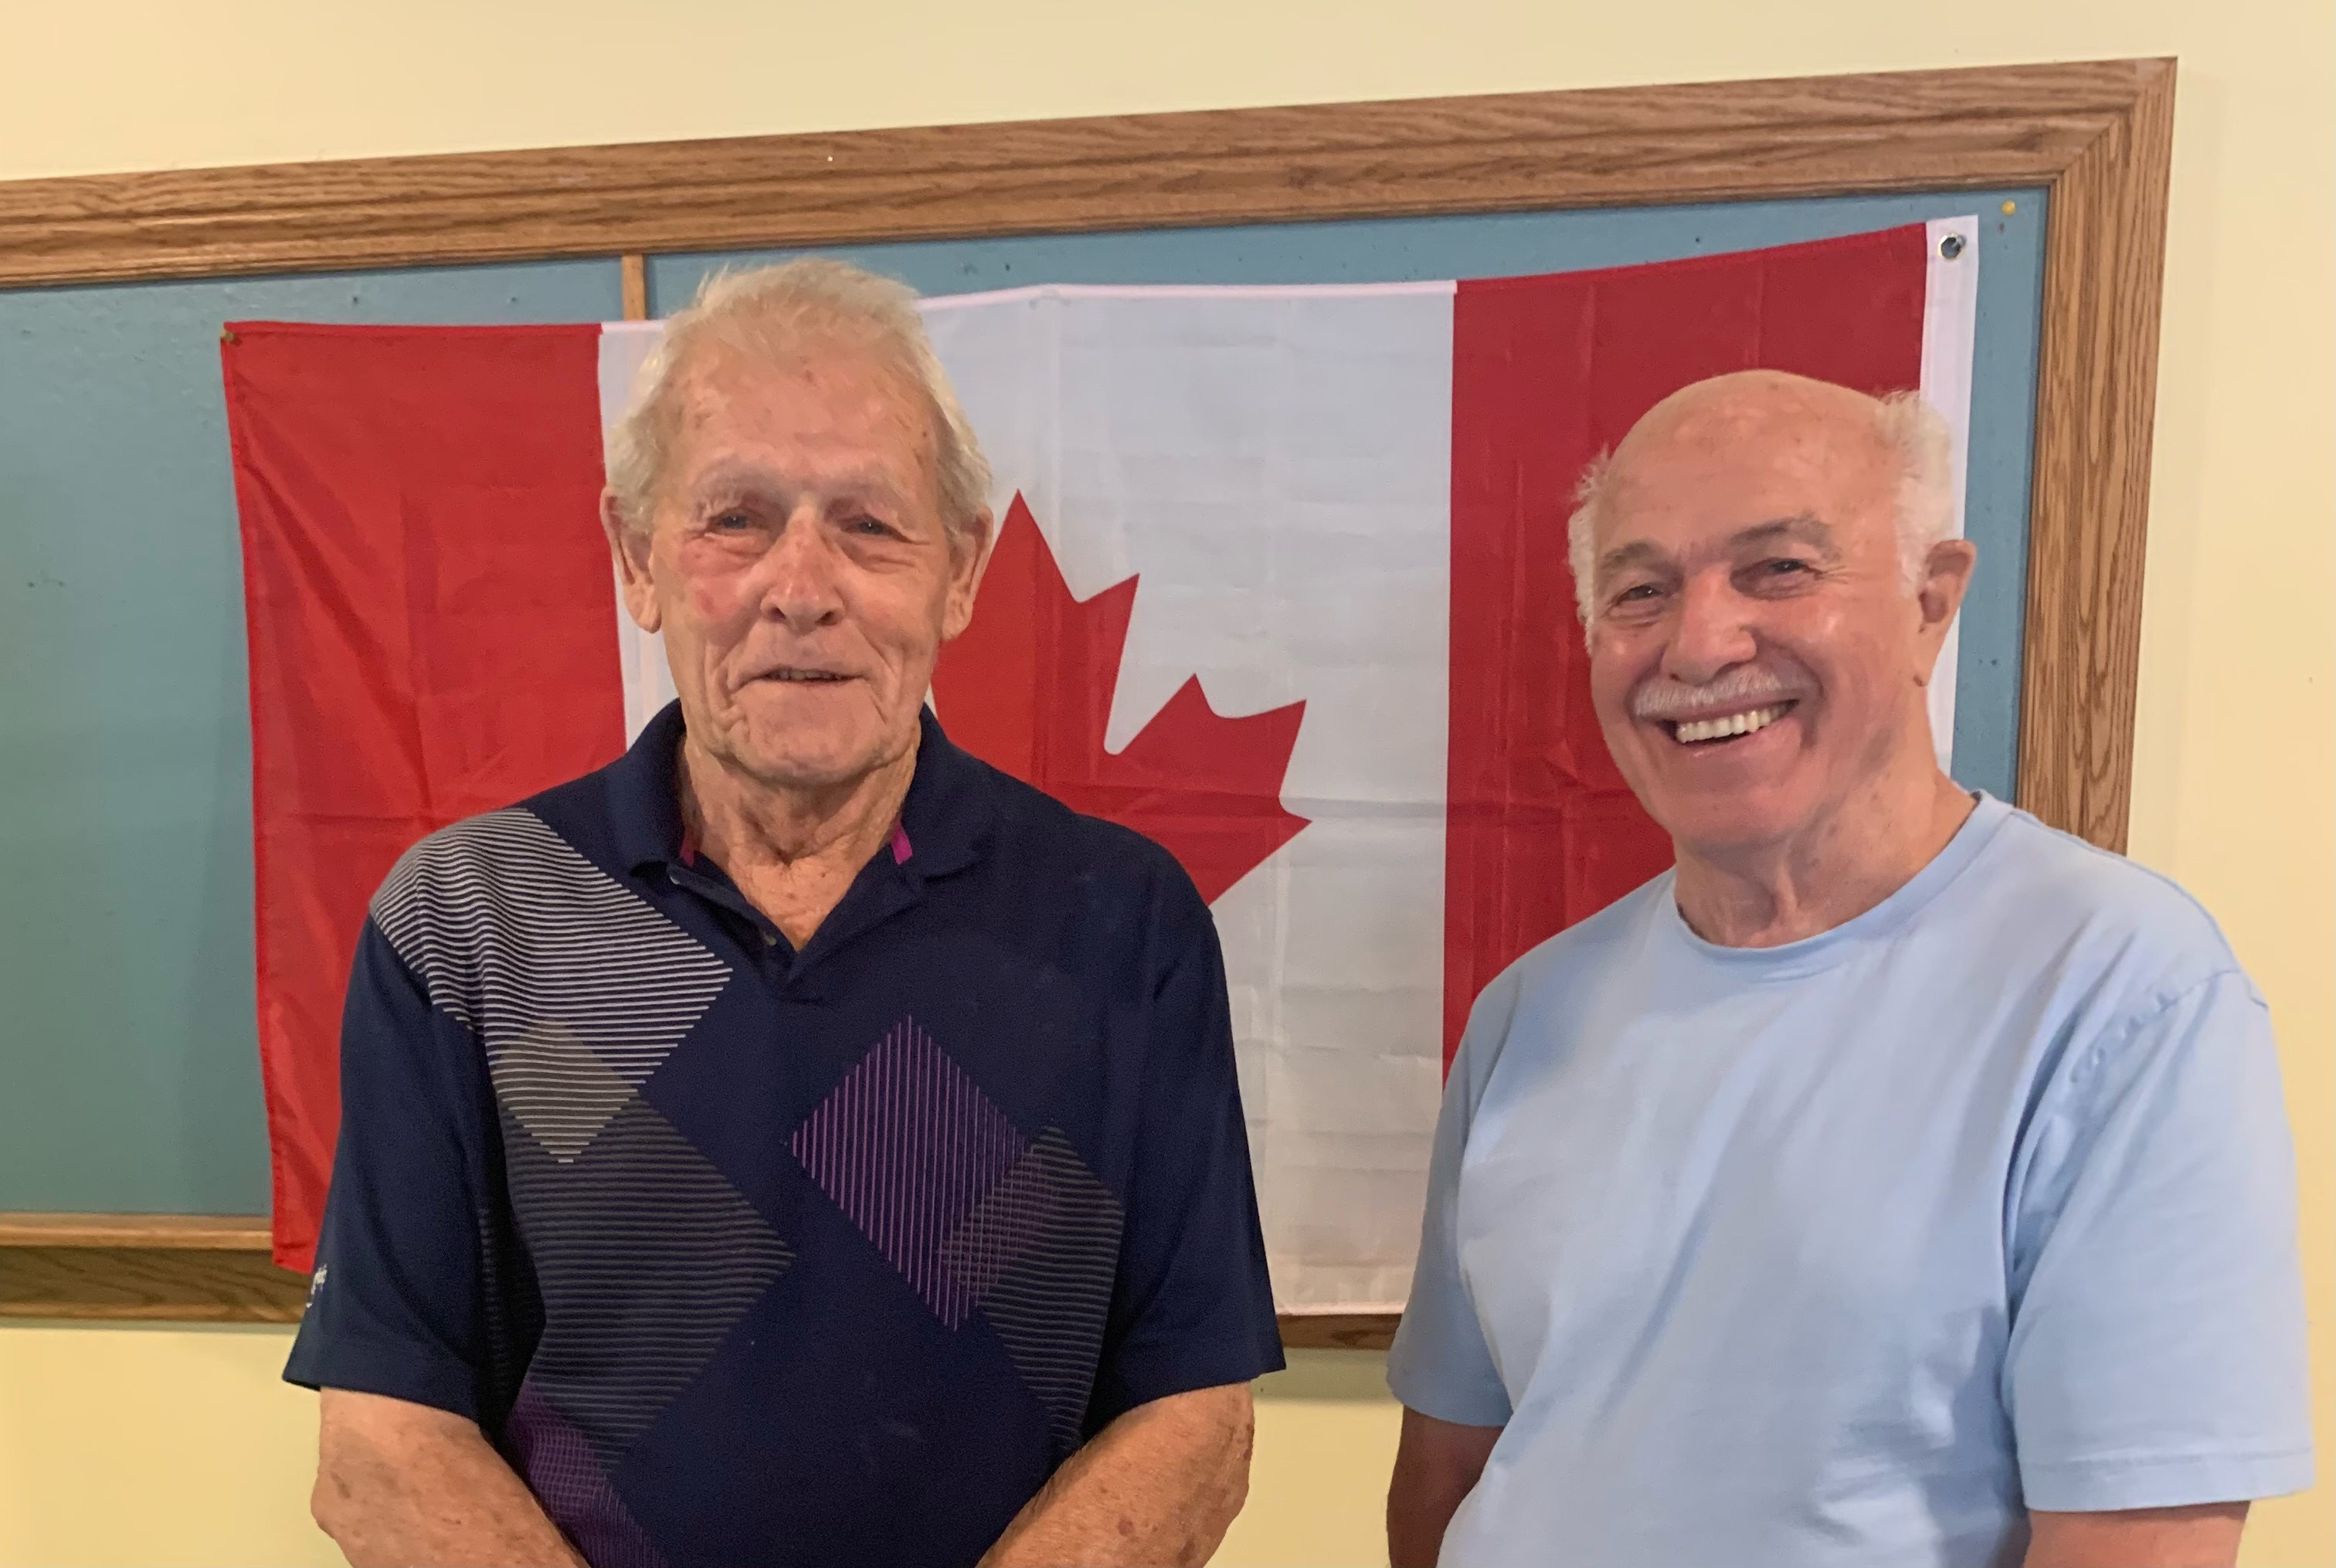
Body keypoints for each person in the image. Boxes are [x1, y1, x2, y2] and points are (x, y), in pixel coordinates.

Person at [285, 259, 1282, 1568]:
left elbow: (1194, 1415)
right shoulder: (471, 921)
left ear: (961, 571)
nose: (801, 586)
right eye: (736, 519)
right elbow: (383, 1439)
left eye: (869, 524)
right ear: (637, 557)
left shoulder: (1123, 923)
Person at [1384, 370, 2311, 1568]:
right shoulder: (1528, 1013)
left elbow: (2140, 1544)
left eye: (1778, 568)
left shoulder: (2118, 995)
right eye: (1642, 589)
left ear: (1933, 603)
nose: (1700, 642)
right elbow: (1448, 1480)